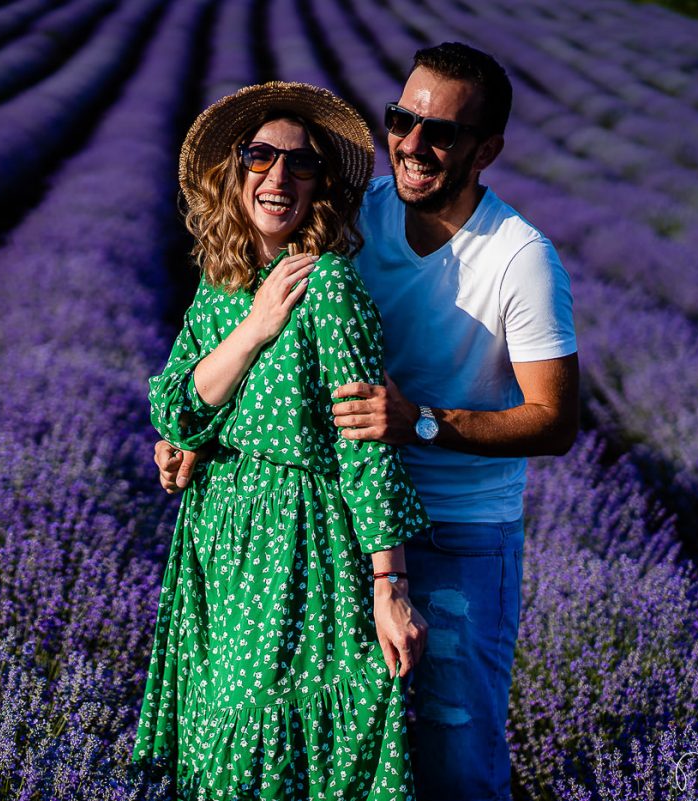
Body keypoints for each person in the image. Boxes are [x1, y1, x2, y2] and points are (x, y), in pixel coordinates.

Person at [155, 44, 579, 801]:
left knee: (453, 755)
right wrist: (192, 436)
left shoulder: (520, 260)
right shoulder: (363, 214)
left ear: (487, 150)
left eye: (440, 133)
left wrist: (418, 423)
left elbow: (554, 420)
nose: (413, 144)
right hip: (330, 532)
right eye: (402, 121)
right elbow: (235, 368)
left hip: (452, 526)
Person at [132, 81, 430, 800]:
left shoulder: (330, 286)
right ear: (232, 173)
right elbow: (174, 404)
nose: (278, 176)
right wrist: (252, 331)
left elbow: (367, 449)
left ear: (321, 185)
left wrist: (390, 585)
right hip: (216, 545)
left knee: (260, 745)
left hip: (295, 549)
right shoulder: (221, 281)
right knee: (214, 740)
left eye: (300, 164)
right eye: (259, 155)